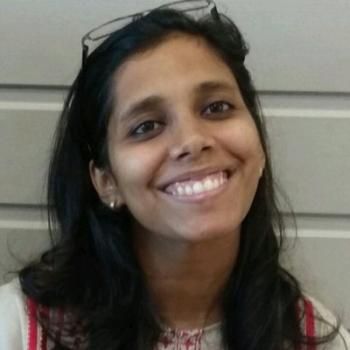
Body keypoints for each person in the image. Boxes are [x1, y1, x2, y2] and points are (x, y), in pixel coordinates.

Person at [0, 1, 349, 349]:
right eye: (146, 126)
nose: (192, 141)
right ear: (106, 180)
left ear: (257, 144)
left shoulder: (313, 338)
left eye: (216, 107)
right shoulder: (18, 327)